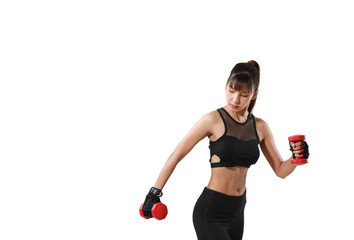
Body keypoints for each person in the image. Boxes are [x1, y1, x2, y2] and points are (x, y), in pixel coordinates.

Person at [140, 60, 310, 240]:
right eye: (231, 90)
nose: (235, 99)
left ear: (254, 95)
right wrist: (153, 193)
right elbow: (176, 155)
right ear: (226, 86)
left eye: (244, 94)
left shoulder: (260, 127)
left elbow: (280, 170)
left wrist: (295, 158)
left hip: (238, 210)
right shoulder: (212, 120)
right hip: (211, 211)